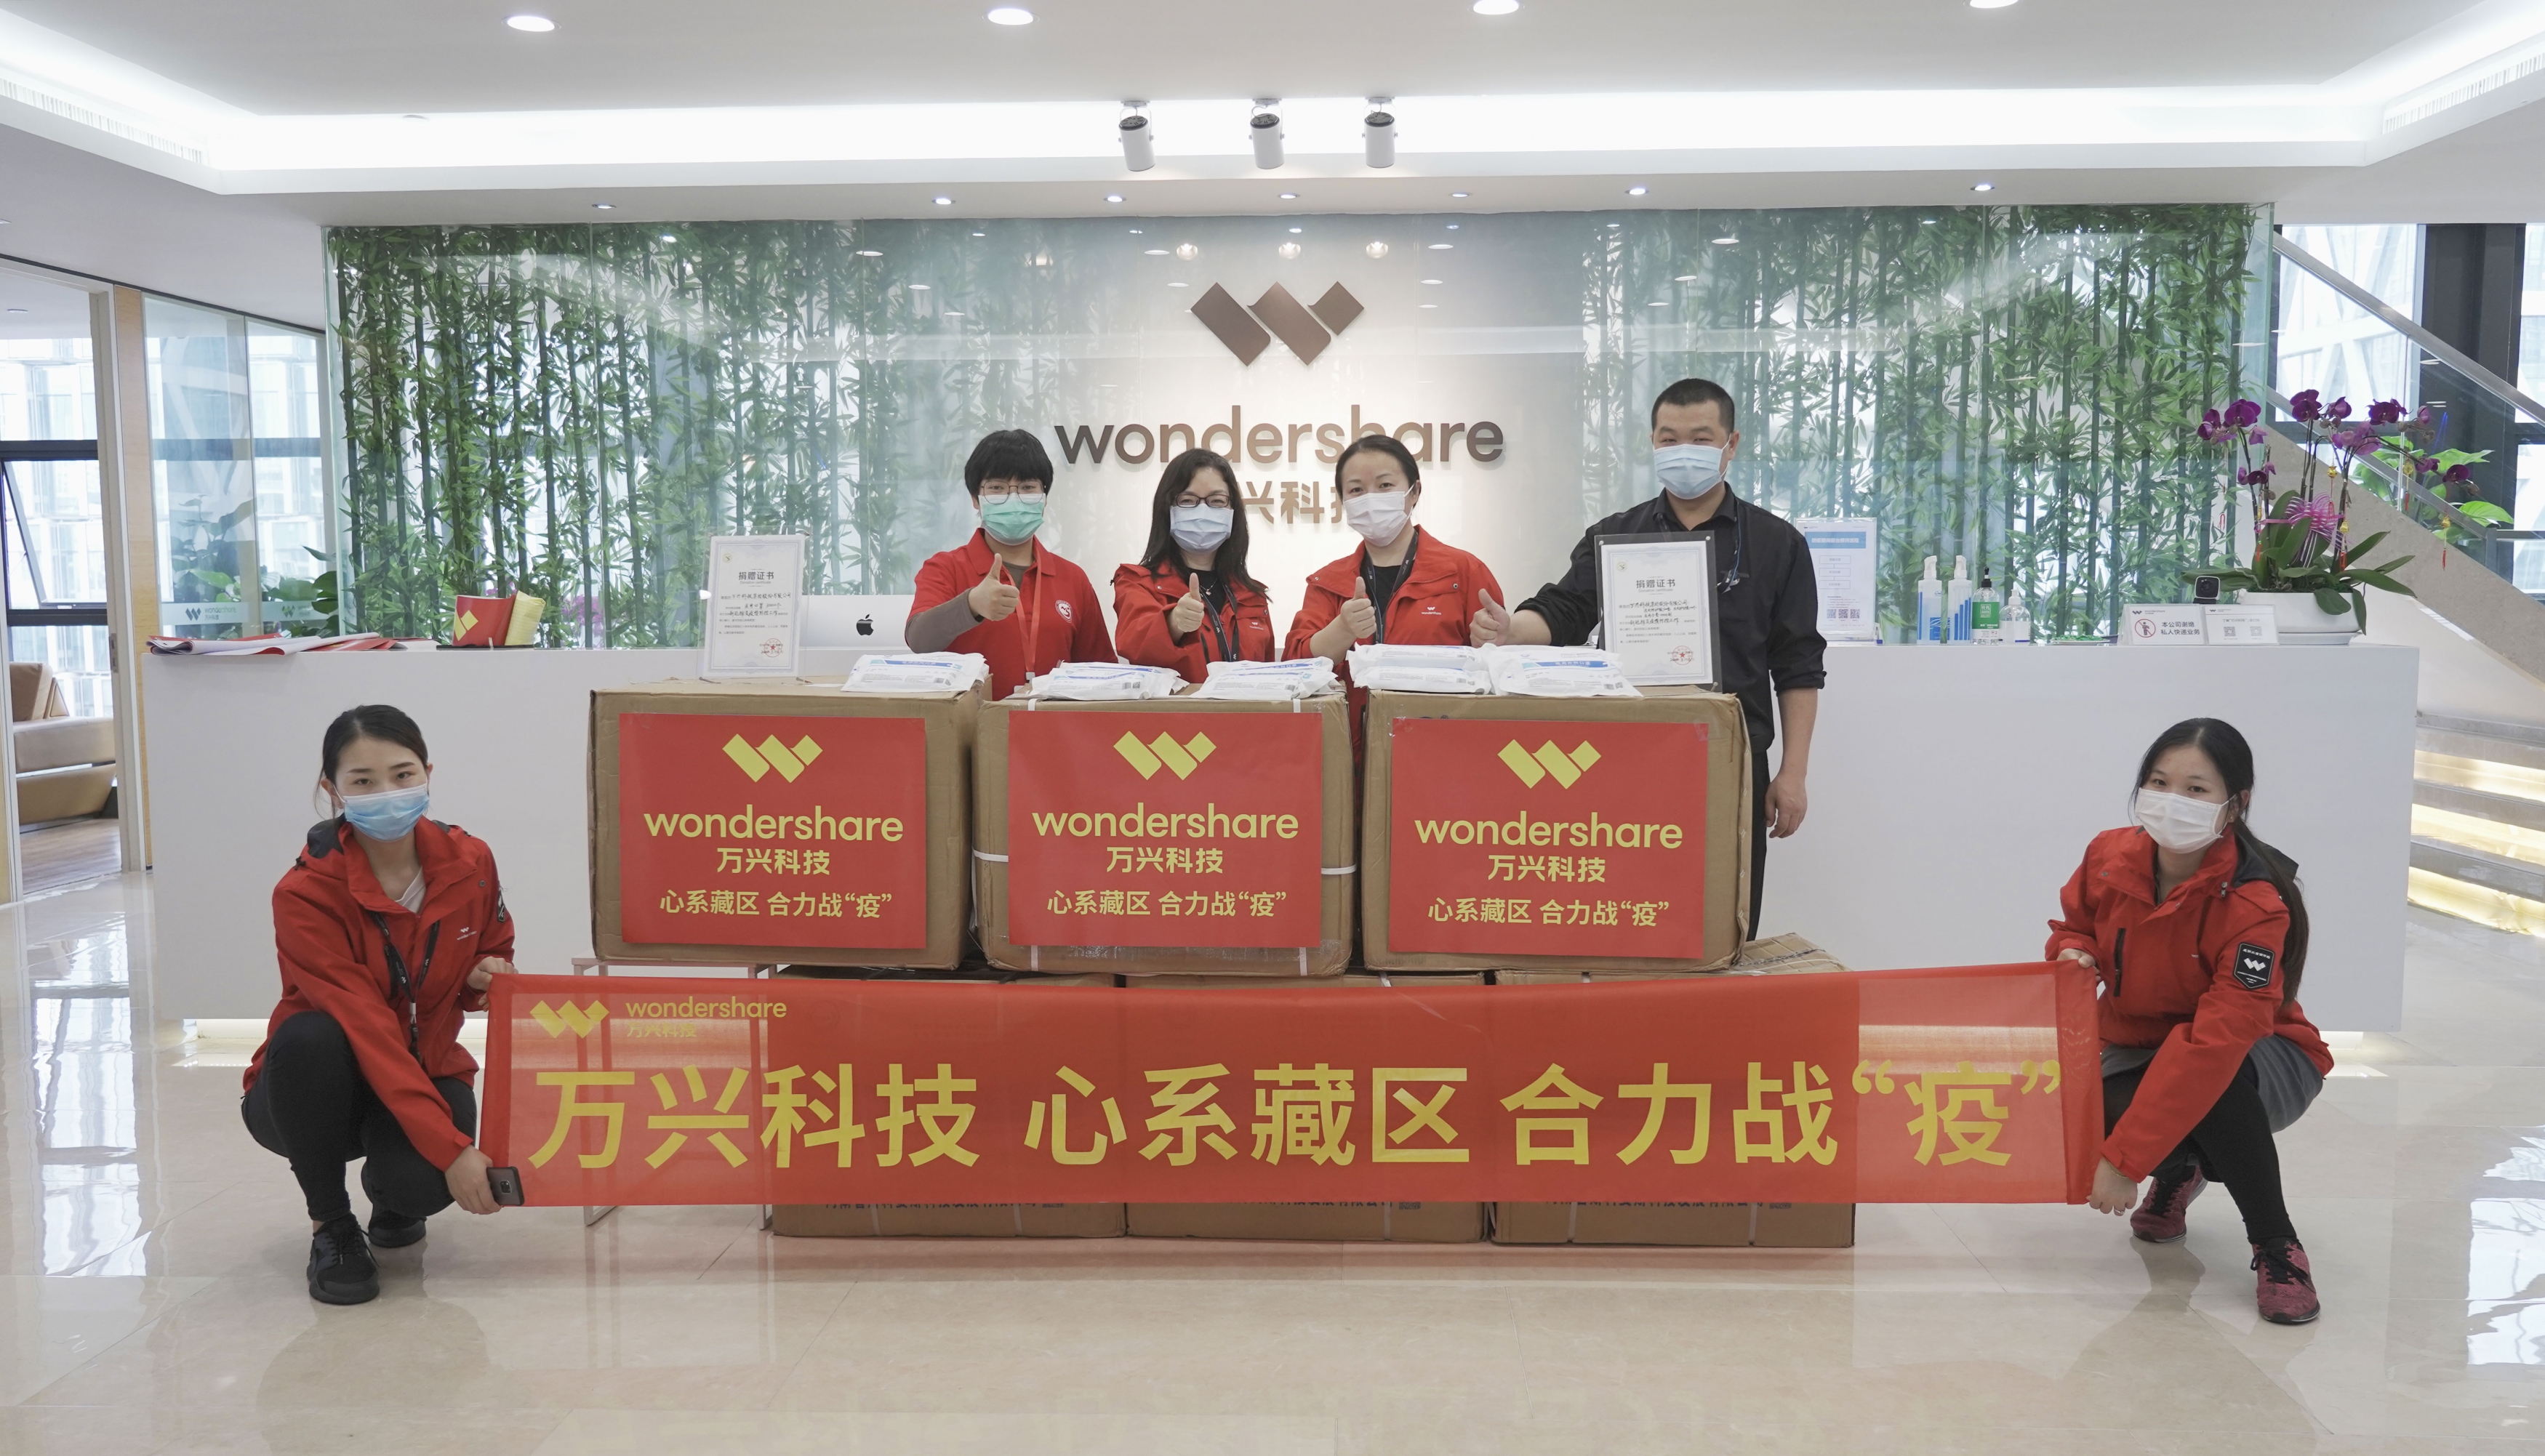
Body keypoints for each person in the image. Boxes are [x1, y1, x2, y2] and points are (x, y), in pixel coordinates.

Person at [1491, 378, 1824, 936]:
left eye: (1701, 437)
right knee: (1628, 912)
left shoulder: (1776, 544)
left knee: (1725, 917)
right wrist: (1512, 628)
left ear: (1731, 444)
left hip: (1733, 760)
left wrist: (1793, 772)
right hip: (1627, 758)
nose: (1683, 450)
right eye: (1669, 439)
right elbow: (1566, 610)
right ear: (1652, 442)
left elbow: (1798, 665)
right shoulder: (1617, 536)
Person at [2047, 717, 2332, 1325]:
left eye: (2196, 789)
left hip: (2261, 1055)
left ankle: (2277, 1245)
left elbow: (2215, 1042)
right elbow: (2076, 924)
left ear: (2237, 803)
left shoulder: (2257, 901)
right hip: (2140, 1042)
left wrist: (2125, 1160)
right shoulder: (2107, 855)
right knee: (2094, 1105)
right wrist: (2074, 951)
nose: (2172, 800)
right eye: (2159, 782)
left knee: (2213, 1086)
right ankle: (2182, 1167)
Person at [244, 705, 516, 1306]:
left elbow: (493, 945)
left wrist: (481, 978)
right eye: (363, 781)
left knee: (421, 1186)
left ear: (427, 773)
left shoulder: (471, 862)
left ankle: (390, 1197)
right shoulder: (305, 894)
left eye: (402, 774)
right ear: (332, 789)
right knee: (312, 1036)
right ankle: (332, 1225)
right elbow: (366, 1028)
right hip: (316, 1088)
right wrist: (453, 1149)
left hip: (427, 1066)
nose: (387, 792)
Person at [1283, 433, 1504, 702]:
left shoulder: (1464, 571)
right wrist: (1342, 629)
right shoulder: (1327, 582)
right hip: (1348, 729)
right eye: (1356, 490)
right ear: (1343, 502)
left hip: (1439, 725)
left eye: (1385, 485)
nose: (1370, 499)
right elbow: (1295, 668)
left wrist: (1494, 638)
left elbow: (1499, 667)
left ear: (1415, 492)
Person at [907, 429, 1116, 699]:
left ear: (1044, 498)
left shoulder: (1072, 577)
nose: (1014, 498)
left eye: (1028, 488)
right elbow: (919, 641)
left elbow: (1100, 669)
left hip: (1052, 723)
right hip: (970, 723)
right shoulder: (945, 568)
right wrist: (971, 605)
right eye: (997, 488)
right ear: (975, 498)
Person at [1113, 448, 1276, 682]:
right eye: (1188, 500)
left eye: (1217, 501)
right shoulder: (1138, 583)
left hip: (1247, 706)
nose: (1203, 511)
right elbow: (1133, 645)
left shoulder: (1251, 595)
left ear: (1233, 510)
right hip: (1178, 707)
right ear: (1167, 508)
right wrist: (1173, 622)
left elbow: (1268, 675)